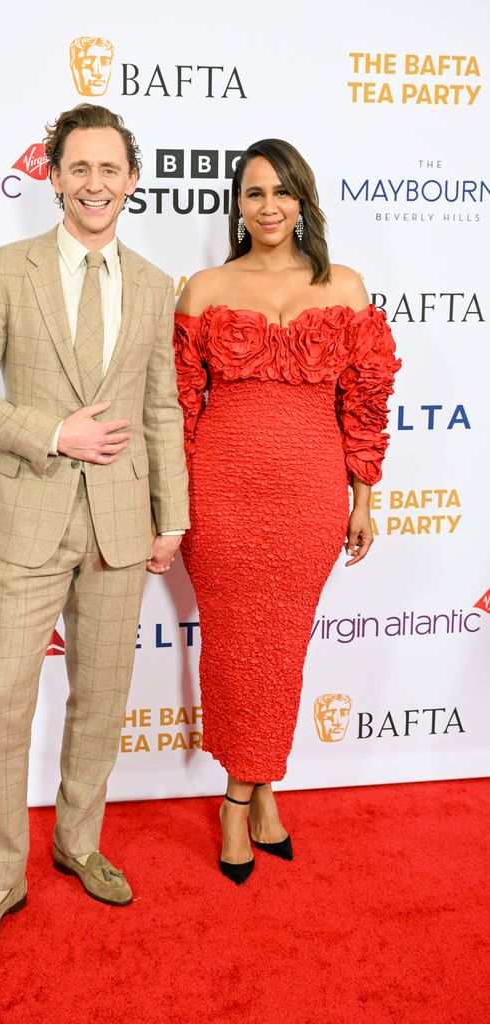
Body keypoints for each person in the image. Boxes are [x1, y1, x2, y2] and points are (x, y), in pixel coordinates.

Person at [0, 103, 189, 955]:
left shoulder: (157, 285)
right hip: (31, 513)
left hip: (121, 524)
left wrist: (173, 519)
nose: (95, 184)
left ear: (131, 180)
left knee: (101, 701)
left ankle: (78, 843)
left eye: (110, 169)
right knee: (6, 698)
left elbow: (160, 409)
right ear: (52, 177)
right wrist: (52, 432)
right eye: (78, 168)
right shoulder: (4, 270)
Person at [173, 138, 400, 884]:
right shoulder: (204, 287)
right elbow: (175, 409)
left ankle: (255, 792)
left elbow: (363, 402)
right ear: (235, 204)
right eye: (253, 193)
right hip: (221, 490)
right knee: (236, 645)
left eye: (281, 191)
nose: (267, 206)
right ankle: (243, 801)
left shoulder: (344, 285)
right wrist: (170, 502)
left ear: (302, 200)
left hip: (308, 490)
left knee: (282, 646)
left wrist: (362, 496)